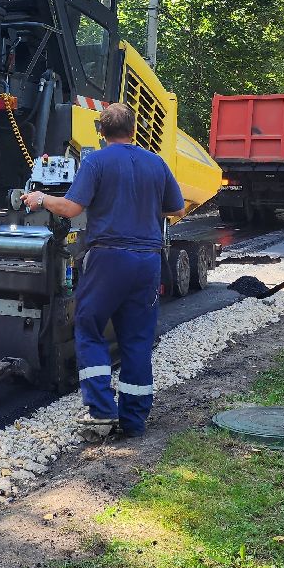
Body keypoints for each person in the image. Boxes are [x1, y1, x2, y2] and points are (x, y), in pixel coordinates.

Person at [20, 101, 184, 438]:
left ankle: (101, 411)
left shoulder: (95, 161)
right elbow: (176, 207)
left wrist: (41, 199)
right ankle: (134, 420)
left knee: (89, 325)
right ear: (134, 130)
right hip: (148, 261)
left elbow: (71, 208)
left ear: (101, 131)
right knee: (137, 339)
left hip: (109, 258)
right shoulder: (157, 162)